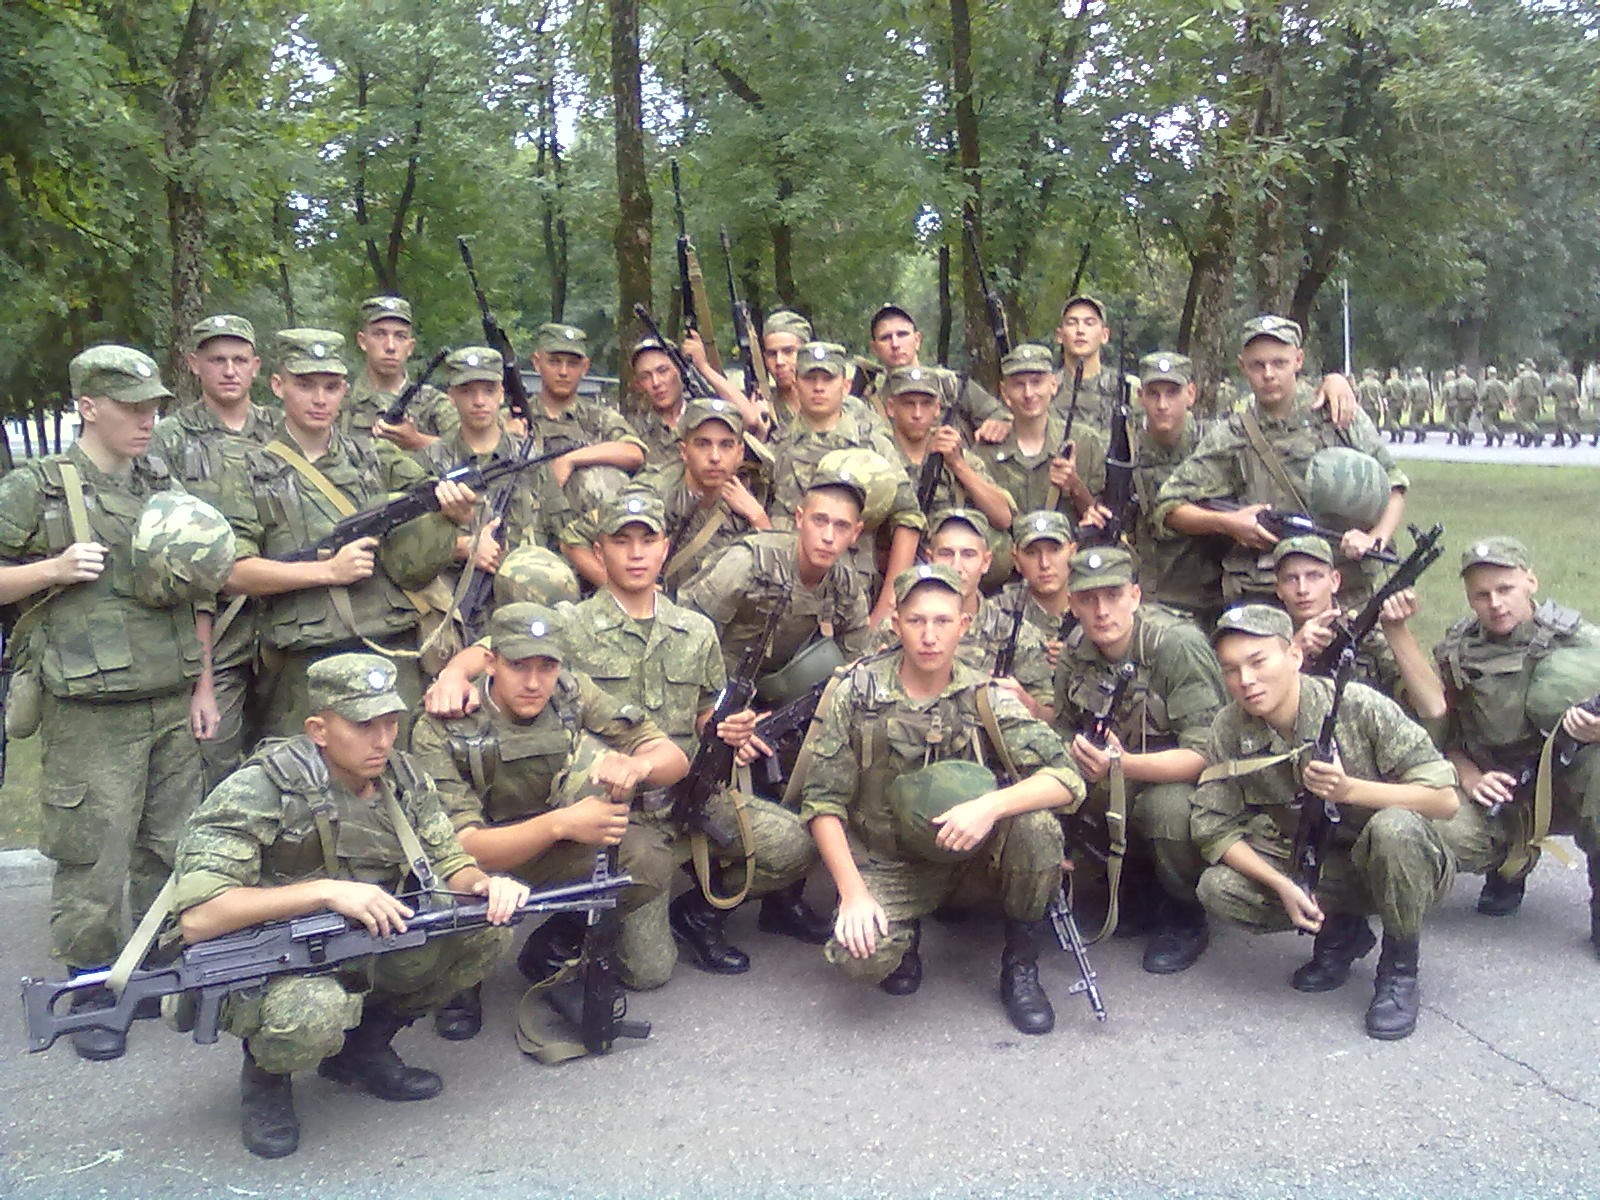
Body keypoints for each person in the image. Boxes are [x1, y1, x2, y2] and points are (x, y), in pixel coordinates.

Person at [423, 491, 823, 987]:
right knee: (648, 972)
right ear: (600, 550)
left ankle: (699, 914)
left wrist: (726, 728)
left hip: (688, 787)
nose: (636, 553)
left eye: (647, 541)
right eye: (621, 541)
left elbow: (706, 709)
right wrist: (452, 676)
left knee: (795, 845)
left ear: (665, 548)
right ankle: (571, 926)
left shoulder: (695, 629)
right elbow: (492, 651)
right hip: (615, 815)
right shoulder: (568, 623)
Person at [172, 653, 530, 1157]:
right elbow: (198, 917)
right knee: (313, 1011)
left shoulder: (403, 778)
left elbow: (449, 860)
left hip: (360, 940)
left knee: (484, 929)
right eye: (363, 726)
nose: (382, 740)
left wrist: (485, 886)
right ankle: (267, 1080)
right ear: (318, 730)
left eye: (390, 723)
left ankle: (363, 1049)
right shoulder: (263, 787)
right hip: (275, 962)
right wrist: (324, 891)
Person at [0, 345, 229, 1061]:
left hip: (169, 696)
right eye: (132, 407)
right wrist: (52, 568)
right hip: (90, 711)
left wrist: (203, 685)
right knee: (93, 856)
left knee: (172, 845)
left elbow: (198, 590)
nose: (147, 420)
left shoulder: (159, 481)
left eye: (154, 406)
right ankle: (94, 987)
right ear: (88, 407)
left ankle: (157, 971)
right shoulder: (35, 488)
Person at [799, 564, 1086, 1033]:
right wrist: (852, 894)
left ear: (963, 625)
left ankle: (1020, 964)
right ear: (896, 624)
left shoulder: (983, 696)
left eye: (942, 621)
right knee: (861, 958)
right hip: (891, 862)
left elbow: (1067, 778)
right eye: (916, 621)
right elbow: (822, 802)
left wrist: (990, 806)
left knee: (1037, 828)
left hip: (970, 858)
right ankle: (904, 936)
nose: (929, 636)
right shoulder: (859, 692)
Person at [408, 603, 690, 1034]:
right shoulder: (442, 726)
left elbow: (673, 757)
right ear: (490, 662)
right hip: (479, 862)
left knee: (646, 857)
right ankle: (460, 978)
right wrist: (562, 824)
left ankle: (557, 942)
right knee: (452, 888)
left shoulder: (572, 694)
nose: (534, 682)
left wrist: (638, 766)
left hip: (551, 848)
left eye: (547, 666)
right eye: (518, 666)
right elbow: (460, 846)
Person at [1193, 606, 1459, 1041]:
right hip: (1321, 864)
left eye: (1258, 661)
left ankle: (1399, 968)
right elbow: (1214, 828)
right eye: (1231, 669)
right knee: (1219, 888)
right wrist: (1282, 884)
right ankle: (1342, 929)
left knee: (1393, 829)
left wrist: (1350, 790)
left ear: (1294, 655)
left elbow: (1444, 800)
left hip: (1405, 862)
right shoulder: (1230, 727)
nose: (1246, 680)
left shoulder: (1356, 705)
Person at [220, 329, 475, 738]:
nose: (320, 399)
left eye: (331, 386)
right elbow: (233, 573)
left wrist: (455, 514)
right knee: (304, 769)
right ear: (278, 385)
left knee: (396, 764)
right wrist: (327, 572)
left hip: (390, 646)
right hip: (306, 660)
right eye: (306, 385)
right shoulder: (247, 470)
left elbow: (434, 505)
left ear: (344, 390)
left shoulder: (375, 456)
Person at [1051, 547, 1226, 973]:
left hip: (1186, 783)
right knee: (1068, 784)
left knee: (1167, 811)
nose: (1101, 611)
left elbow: (1207, 755)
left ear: (1134, 595)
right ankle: (1138, 889)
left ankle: (1185, 913)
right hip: (1118, 774)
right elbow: (1062, 729)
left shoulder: (1176, 646)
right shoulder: (1077, 650)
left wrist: (1122, 765)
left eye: (1113, 596)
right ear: (1072, 604)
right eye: (1088, 599)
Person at [1155, 314, 1407, 609]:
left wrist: (1375, 539)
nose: (1269, 374)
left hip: (1345, 590)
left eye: (1279, 363)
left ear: (1298, 360)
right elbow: (1168, 506)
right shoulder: (1233, 434)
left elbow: (1394, 484)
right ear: (1242, 367)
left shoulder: (1337, 412)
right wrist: (1228, 523)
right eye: (1257, 365)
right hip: (1266, 596)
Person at [1432, 537, 1600, 950]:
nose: (1495, 603)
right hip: (1500, 785)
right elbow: (1444, 736)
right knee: (1436, 831)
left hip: (1568, 781)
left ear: (1531, 582)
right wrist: (1470, 777)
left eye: (1505, 589)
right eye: (1482, 594)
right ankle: (1508, 864)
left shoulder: (1581, 642)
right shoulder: (1456, 653)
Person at [151, 314, 278, 789]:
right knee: (214, 758)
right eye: (217, 359)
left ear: (256, 366)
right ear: (193, 364)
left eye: (240, 360)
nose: (229, 370)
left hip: (283, 612)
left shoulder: (282, 429)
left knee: (289, 752)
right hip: (213, 623)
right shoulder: (169, 438)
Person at [765, 341, 924, 624]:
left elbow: (908, 519)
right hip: (785, 598)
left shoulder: (872, 445)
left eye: (828, 379)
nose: (818, 387)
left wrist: (887, 606)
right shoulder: (776, 447)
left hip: (853, 599)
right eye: (810, 378)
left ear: (846, 385)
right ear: (796, 384)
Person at [679, 469, 876, 688]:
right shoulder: (750, 562)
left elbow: (852, 670)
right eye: (819, 520)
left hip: (781, 695)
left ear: (856, 532)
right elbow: (688, 633)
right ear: (799, 518)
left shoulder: (846, 590)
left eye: (841, 526)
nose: (828, 537)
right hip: (712, 681)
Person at [571, 397, 770, 596]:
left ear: (740, 453)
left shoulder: (757, 488)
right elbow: (573, 538)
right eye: (702, 444)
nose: (715, 457)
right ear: (684, 451)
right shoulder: (655, 491)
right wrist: (624, 590)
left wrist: (758, 518)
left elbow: (775, 572)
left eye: (726, 445)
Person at [1084, 351, 1226, 627]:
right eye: (1153, 394)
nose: (1162, 404)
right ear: (1140, 396)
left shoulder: (1215, 445)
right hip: (1143, 601)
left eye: (1172, 393)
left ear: (1191, 393)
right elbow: (1100, 510)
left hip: (1209, 598)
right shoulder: (1121, 452)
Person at [421, 345, 573, 588]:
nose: (479, 401)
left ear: (501, 394)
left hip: (526, 592)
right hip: (454, 592)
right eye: (467, 391)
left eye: (488, 390)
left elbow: (563, 534)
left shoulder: (529, 458)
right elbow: (411, 548)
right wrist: (461, 547)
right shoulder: (430, 462)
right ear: (451, 396)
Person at [1271, 535, 1446, 721]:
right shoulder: (1266, 637)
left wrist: (1397, 631)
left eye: (1314, 576)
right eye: (1291, 579)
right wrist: (1293, 652)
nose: (1302, 589)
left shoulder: (1366, 631)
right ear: (1278, 589)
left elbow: (1433, 706)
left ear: (1335, 581)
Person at [923, 508, 1054, 718]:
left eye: (968, 554)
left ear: (986, 562)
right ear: (930, 559)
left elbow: (1051, 717)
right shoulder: (900, 629)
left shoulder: (1018, 636)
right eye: (946, 554)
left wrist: (1027, 703)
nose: (956, 567)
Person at [971, 342, 1104, 523]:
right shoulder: (986, 451)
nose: (1028, 393)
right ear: (1004, 392)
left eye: (1036, 382)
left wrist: (1075, 486)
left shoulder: (1086, 443)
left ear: (1053, 385)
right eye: (1018, 384)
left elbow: (1104, 517)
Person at [526, 322, 647, 511]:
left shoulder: (598, 417)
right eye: (554, 362)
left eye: (572, 364)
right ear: (536, 362)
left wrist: (571, 459)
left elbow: (634, 453)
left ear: (585, 367)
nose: (563, 372)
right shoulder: (515, 418)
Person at [881, 365, 1014, 531]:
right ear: (891, 408)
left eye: (926, 404)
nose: (917, 414)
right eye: (908, 404)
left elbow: (1003, 518)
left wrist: (958, 465)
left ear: (937, 408)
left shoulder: (955, 455)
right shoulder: (880, 454)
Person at [862, 303, 1008, 438]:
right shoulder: (871, 403)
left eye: (902, 334)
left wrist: (997, 425)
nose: (895, 344)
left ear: (917, 340)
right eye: (885, 338)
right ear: (875, 348)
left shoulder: (951, 385)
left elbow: (1000, 415)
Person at [345, 295, 456, 452]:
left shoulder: (434, 403)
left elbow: (473, 451)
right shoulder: (340, 402)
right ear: (362, 341)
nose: (390, 346)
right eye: (379, 334)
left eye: (400, 336)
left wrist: (418, 441)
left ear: (410, 347)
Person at [997, 509, 1077, 665]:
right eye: (1032, 553)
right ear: (1016, 560)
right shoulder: (996, 614)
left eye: (1055, 550)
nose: (1044, 563)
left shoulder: (1095, 609)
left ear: (1072, 552)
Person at [1511, 360, 1544, 447]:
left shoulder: (1522, 376)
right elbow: (1541, 390)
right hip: (1535, 400)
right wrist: (1541, 404)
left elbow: (1518, 391)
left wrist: (1513, 402)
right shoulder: (1537, 375)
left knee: (1522, 420)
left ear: (1525, 365)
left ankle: (1536, 434)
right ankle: (1531, 437)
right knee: (1531, 420)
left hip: (1524, 400)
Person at [1550, 364, 1581, 448]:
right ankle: (1559, 439)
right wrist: (1576, 401)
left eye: (1559, 370)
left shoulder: (1557, 382)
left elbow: (1550, 391)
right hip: (1571, 403)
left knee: (1563, 422)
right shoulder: (1572, 379)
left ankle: (1573, 438)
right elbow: (1576, 391)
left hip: (1561, 403)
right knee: (1567, 421)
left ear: (1562, 371)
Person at [1479, 365, 1511, 447]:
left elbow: (1484, 395)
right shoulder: (1500, 384)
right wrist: (1507, 405)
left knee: (1487, 423)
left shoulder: (1487, 384)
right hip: (1498, 406)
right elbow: (1506, 395)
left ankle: (1497, 436)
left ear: (1489, 374)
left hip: (1488, 406)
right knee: (1495, 423)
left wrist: (1480, 402)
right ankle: (1493, 440)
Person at [1405, 367, 1432, 444]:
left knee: (1412, 421)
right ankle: (1418, 437)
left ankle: (1421, 432)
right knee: (1420, 420)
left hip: (1416, 404)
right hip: (1424, 404)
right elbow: (1428, 395)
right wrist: (1429, 406)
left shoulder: (1413, 383)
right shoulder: (1426, 383)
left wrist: (1407, 406)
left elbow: (1410, 396)